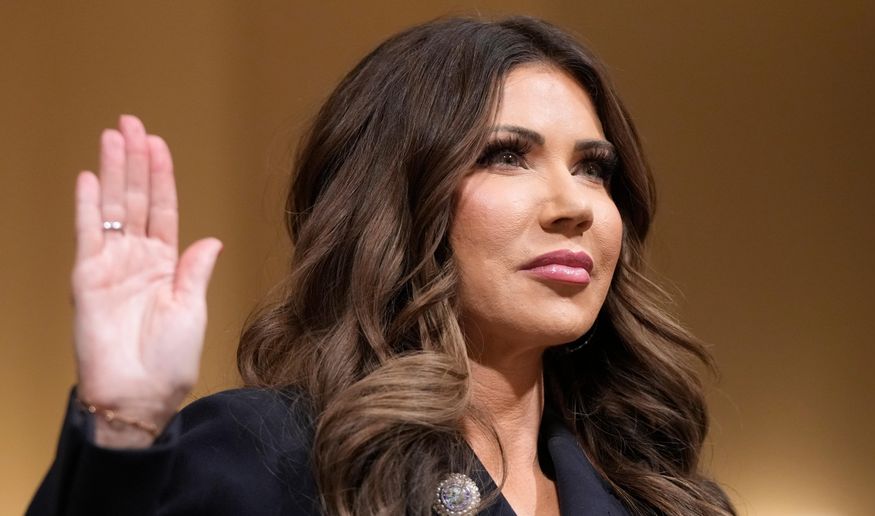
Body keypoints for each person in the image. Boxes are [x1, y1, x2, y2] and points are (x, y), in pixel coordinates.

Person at [28, 16, 735, 516]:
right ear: (397, 199)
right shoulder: (269, 457)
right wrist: (120, 423)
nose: (572, 204)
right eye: (505, 155)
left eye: (592, 168)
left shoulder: (660, 497)